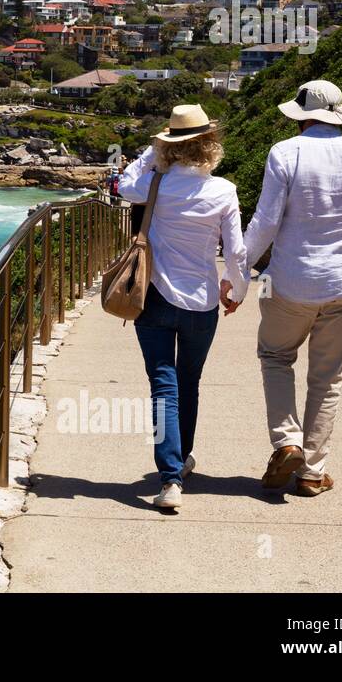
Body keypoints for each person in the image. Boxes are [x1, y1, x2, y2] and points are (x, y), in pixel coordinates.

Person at [222, 80, 342, 497]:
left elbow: (264, 223)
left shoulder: (286, 152)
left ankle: (287, 442)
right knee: (327, 378)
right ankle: (313, 472)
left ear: (300, 116)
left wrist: (240, 279)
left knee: (276, 357)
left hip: (291, 283)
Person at [120, 105, 249, 510]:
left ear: (169, 146)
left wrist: (152, 150)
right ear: (210, 145)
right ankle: (181, 460)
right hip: (202, 301)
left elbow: (123, 184)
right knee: (188, 382)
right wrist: (238, 290)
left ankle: (171, 477)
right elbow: (237, 250)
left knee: (163, 386)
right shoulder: (224, 190)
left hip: (154, 298)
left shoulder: (154, 186)